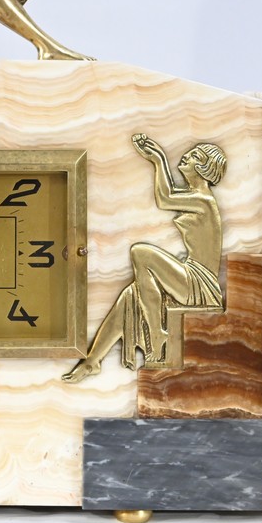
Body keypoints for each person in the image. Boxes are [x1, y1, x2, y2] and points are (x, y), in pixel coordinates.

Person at [62, 134, 226, 382]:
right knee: (130, 295)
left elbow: (165, 198)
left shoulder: (204, 201)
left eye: (194, 156)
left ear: (204, 168)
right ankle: (92, 361)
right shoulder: (195, 198)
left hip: (200, 284)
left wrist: (159, 159)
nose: (186, 156)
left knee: (140, 252)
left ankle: (157, 333)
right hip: (189, 276)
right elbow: (169, 195)